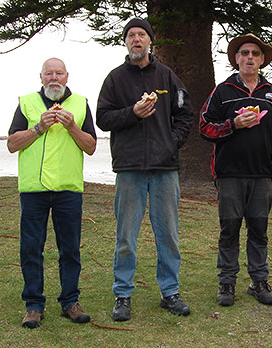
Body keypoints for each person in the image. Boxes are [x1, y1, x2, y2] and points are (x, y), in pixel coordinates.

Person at [96, 18, 194, 321]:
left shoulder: (167, 76)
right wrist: (133, 113)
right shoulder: (115, 79)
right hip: (129, 169)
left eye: (141, 35)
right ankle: (122, 294)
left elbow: (185, 115)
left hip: (165, 168)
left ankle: (170, 292)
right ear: (125, 42)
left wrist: (171, 142)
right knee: (126, 236)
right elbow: (102, 118)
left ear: (150, 41)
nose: (136, 40)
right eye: (131, 36)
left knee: (168, 235)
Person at [199, 33, 272, 307]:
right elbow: (204, 127)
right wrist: (233, 125)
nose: (249, 57)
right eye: (244, 53)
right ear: (236, 59)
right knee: (229, 229)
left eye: (255, 53)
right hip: (228, 174)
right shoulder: (222, 91)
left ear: (262, 59)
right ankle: (227, 283)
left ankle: (258, 281)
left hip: (262, 175)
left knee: (259, 230)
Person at [7, 57, 97, 328]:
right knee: (31, 249)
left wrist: (72, 127)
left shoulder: (80, 103)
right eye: (49, 74)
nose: (54, 78)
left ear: (67, 77)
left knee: (69, 249)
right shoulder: (26, 103)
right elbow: (12, 144)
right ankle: (34, 305)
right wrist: (38, 128)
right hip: (33, 189)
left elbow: (91, 146)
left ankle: (70, 301)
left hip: (69, 189)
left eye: (59, 73)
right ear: (41, 77)